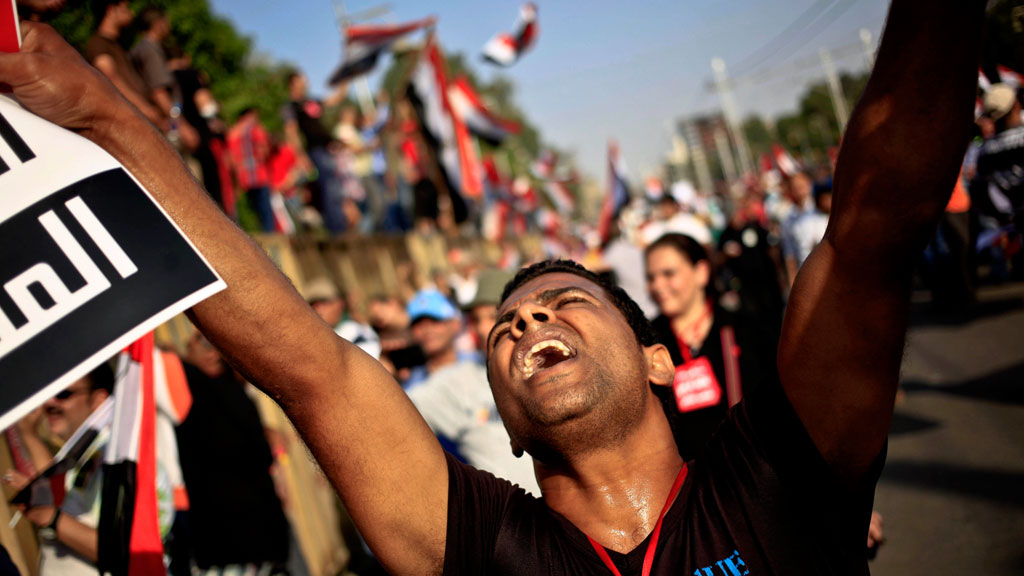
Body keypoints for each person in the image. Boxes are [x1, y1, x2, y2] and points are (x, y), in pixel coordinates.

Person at [1, 1, 982, 572]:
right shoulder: (478, 549)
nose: (526, 321)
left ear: (654, 357)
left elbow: (871, 224)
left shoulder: (781, 471)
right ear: (503, 423)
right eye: (506, 326)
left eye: (564, 303)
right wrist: (100, 115)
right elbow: (314, 371)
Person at [644, 233, 778, 461]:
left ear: (701, 272)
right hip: (687, 481)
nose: (657, 286)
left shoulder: (745, 329)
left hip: (750, 467)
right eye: (650, 277)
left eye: (668, 273)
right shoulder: (647, 343)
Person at [175, 331, 290, 573]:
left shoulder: (218, 388)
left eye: (217, 345)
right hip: (237, 541)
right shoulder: (204, 387)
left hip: (244, 541)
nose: (212, 352)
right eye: (205, 341)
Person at [3, 364, 114, 575]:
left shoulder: (111, 456)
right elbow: (60, 497)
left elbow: (125, 549)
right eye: (49, 392)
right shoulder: (81, 452)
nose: (49, 402)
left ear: (98, 400)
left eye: (63, 394)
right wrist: (29, 435)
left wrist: (51, 518)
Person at [282, 71, 347, 235]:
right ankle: (335, 231)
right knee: (328, 189)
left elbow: (335, 100)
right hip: (315, 152)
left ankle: (339, 228)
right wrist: (301, 156)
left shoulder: (312, 102)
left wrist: (346, 78)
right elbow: (291, 132)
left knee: (335, 189)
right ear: (292, 84)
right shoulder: (291, 107)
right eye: (301, 81)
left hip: (327, 150)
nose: (305, 84)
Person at [85, 0, 163, 128]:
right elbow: (112, 79)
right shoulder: (98, 43)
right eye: (125, 8)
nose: (131, 13)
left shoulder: (117, 46)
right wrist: (146, 110)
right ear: (111, 10)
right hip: (126, 123)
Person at [226, 107, 274, 232]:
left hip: (243, 177)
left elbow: (230, 157)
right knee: (265, 210)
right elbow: (264, 149)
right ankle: (269, 234)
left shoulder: (233, 132)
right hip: (259, 175)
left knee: (253, 208)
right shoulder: (255, 129)